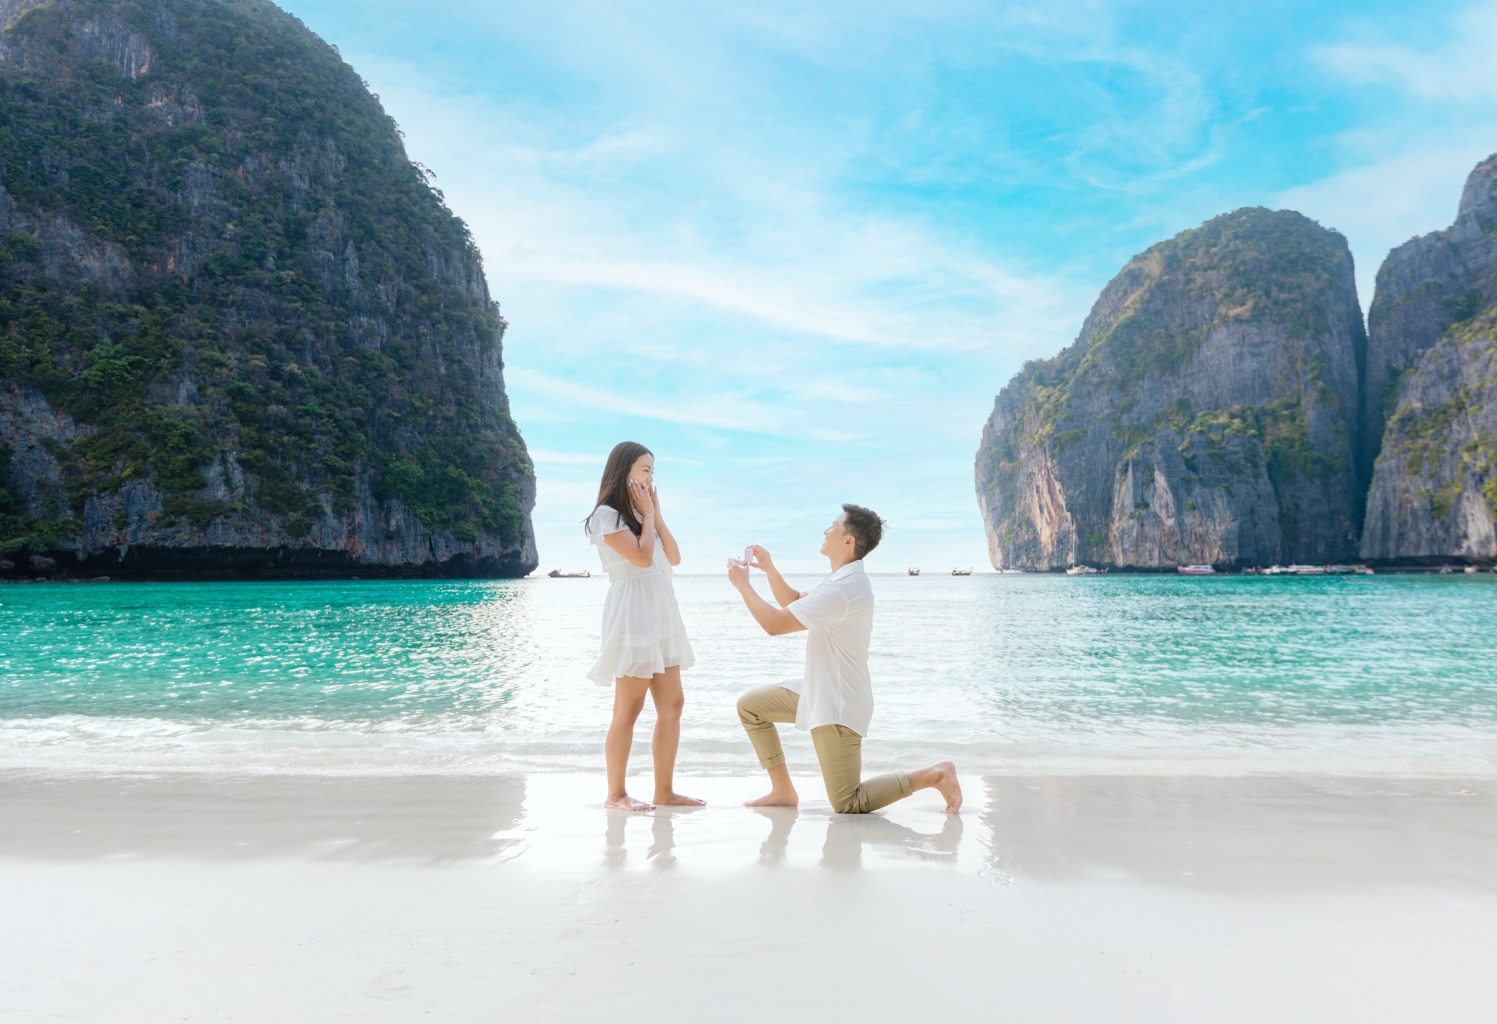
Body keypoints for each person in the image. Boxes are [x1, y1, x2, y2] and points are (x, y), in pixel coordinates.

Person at [727, 504, 962, 814]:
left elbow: (775, 625)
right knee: (751, 707)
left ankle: (936, 774)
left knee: (849, 801)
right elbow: (794, 602)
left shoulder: (845, 590)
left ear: (848, 541)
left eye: (833, 527)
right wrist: (769, 569)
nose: (826, 531)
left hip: (838, 703)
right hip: (818, 690)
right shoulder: (840, 583)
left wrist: (742, 585)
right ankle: (782, 790)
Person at [584, 441, 702, 811]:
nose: (651, 477)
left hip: (661, 611)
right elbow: (640, 556)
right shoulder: (606, 516)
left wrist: (656, 515)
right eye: (646, 470)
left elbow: (675, 557)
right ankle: (615, 794)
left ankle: (664, 791)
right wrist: (647, 517)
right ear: (625, 472)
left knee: (673, 704)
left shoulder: (643, 514)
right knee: (629, 708)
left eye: (653, 471)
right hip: (633, 613)